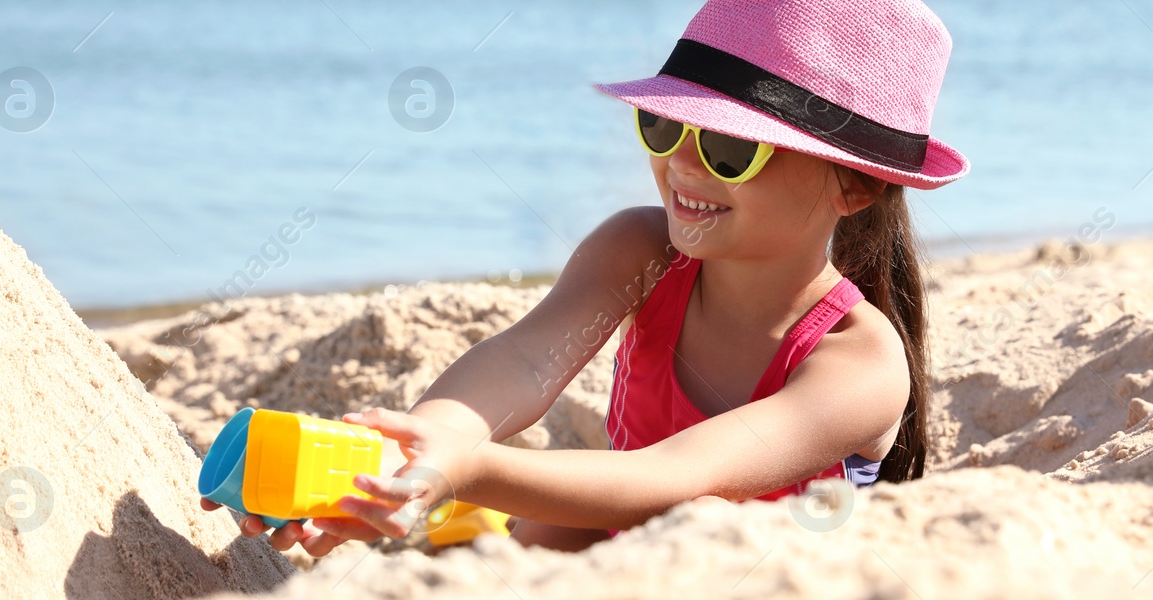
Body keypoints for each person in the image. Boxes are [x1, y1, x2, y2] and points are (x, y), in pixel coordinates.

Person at [202, 0, 968, 555]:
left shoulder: (858, 362)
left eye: (734, 151)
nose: (681, 165)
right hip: (604, 530)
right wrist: (431, 439)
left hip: (744, 569)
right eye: (664, 126)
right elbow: (525, 359)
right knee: (522, 535)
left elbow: (670, 479)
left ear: (855, 187)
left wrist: (466, 471)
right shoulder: (640, 251)